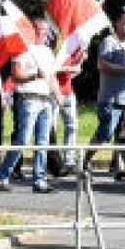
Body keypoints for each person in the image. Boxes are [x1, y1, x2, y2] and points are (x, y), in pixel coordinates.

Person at [0, 16, 61, 194]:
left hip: (45, 99)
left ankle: (39, 179)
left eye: (46, 32)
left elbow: (52, 76)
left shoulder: (47, 52)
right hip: (28, 97)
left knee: (43, 142)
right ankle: (2, 174)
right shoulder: (22, 49)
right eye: (40, 31)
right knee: (22, 139)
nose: (43, 34)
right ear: (32, 30)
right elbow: (16, 75)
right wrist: (34, 76)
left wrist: (58, 94)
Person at [84, 9, 125, 181]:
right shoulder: (109, 41)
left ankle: (120, 169)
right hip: (111, 98)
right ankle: (85, 161)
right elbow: (102, 64)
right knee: (105, 132)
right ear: (117, 24)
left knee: (123, 136)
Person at [53, 47, 87, 175]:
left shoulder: (70, 49)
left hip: (68, 92)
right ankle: (53, 162)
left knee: (72, 126)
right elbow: (49, 69)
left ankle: (69, 161)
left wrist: (79, 61)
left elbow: (75, 72)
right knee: (52, 128)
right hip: (53, 92)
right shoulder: (53, 49)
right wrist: (68, 68)